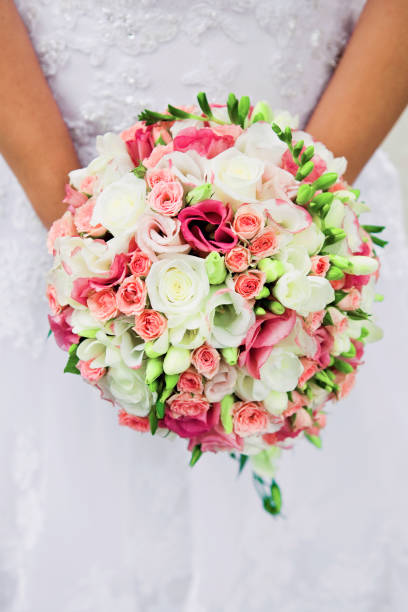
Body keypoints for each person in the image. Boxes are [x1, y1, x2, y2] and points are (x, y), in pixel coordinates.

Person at [0, 1, 408, 610]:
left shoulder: (308, 232)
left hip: (325, 184)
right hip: (52, 181)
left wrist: (302, 229)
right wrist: (91, 251)